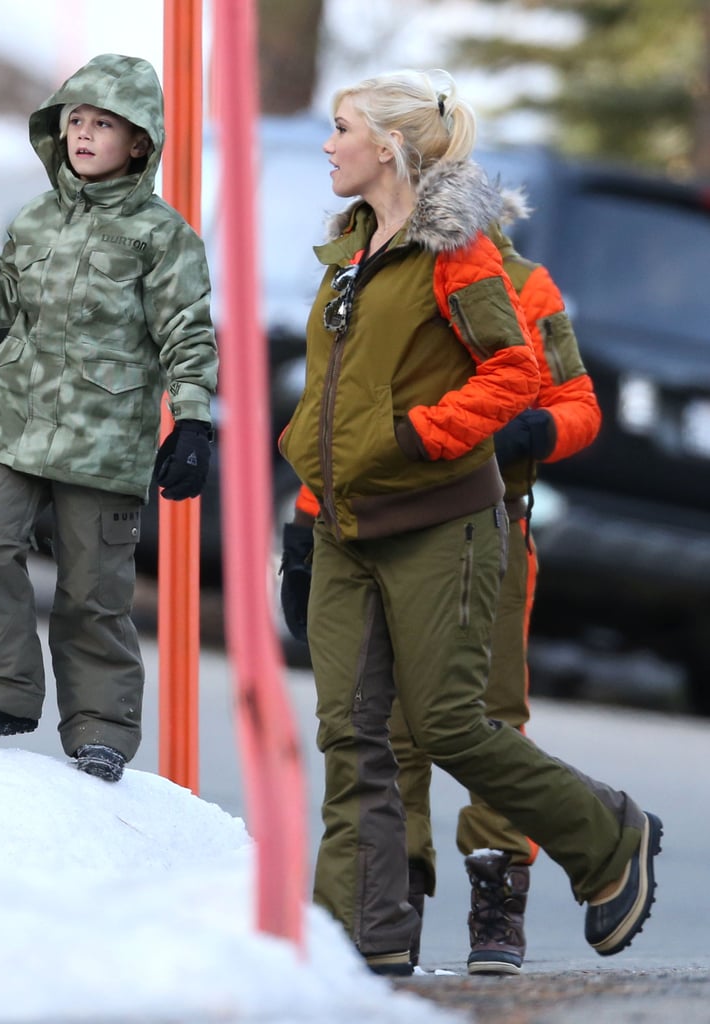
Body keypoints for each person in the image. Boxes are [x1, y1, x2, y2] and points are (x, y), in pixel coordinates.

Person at [277, 68, 661, 977]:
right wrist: (303, 514)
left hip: (448, 520)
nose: (327, 146)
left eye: (341, 129)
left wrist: (427, 437)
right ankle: (362, 940)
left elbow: (525, 376)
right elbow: (336, 403)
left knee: (453, 726)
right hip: (344, 525)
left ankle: (600, 839)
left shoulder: (465, 253)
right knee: (356, 733)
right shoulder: (350, 255)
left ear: (391, 145)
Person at [0, 53, 218, 783]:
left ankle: (102, 728)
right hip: (16, 425)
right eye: (74, 120)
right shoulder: (40, 216)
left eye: (102, 124)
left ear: (139, 142)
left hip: (104, 441)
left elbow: (188, 330)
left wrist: (196, 422)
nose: (83, 134)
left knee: (93, 593)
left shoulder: (162, 235)